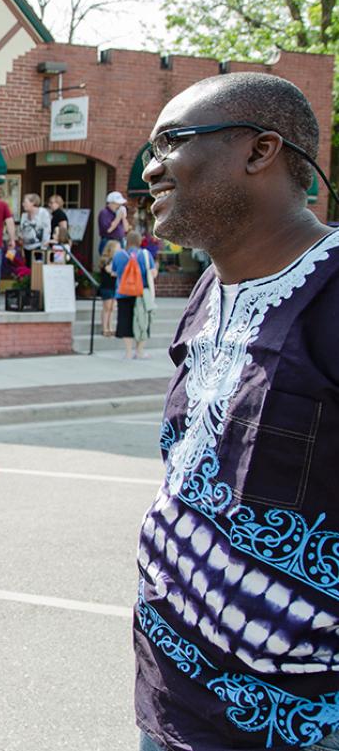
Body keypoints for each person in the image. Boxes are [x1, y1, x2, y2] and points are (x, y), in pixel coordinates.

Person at [135, 72, 339, 751]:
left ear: (260, 151)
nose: (149, 166)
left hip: (297, 721)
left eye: (170, 142)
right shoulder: (207, 288)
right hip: (172, 700)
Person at [110, 231, 154, 359]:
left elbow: (114, 273)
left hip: (123, 293)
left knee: (125, 321)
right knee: (142, 322)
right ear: (140, 241)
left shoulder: (119, 255)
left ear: (127, 241)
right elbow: (152, 272)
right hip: (141, 294)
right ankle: (139, 351)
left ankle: (128, 352)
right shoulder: (145, 254)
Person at [97, 239, 121, 336]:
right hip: (106, 287)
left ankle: (110, 327)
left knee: (112, 308)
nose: (120, 249)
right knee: (106, 308)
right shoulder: (105, 260)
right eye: (118, 248)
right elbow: (111, 271)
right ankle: (104, 328)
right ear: (112, 249)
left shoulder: (116, 260)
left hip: (114, 287)